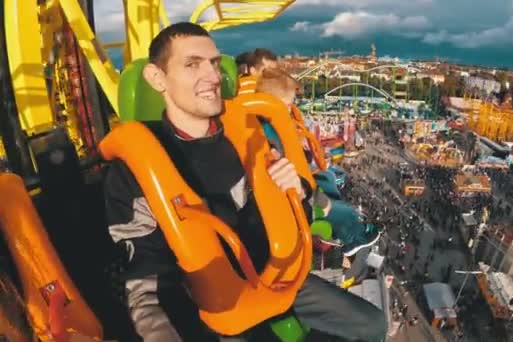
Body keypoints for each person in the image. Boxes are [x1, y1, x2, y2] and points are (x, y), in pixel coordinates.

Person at [104, 22, 386, 341]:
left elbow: (295, 223)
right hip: (208, 304)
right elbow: (144, 279)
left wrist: (296, 193)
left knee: (372, 326)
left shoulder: (246, 139)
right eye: (192, 64)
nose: (212, 77)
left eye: (213, 63)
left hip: (276, 277)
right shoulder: (134, 170)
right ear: (157, 78)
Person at [255, 68, 380, 280]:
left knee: (329, 177)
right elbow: (291, 181)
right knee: (344, 211)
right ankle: (353, 237)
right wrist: (320, 201)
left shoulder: (270, 128)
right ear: (270, 104)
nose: (290, 110)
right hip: (294, 198)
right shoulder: (268, 136)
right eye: (287, 105)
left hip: (301, 185)